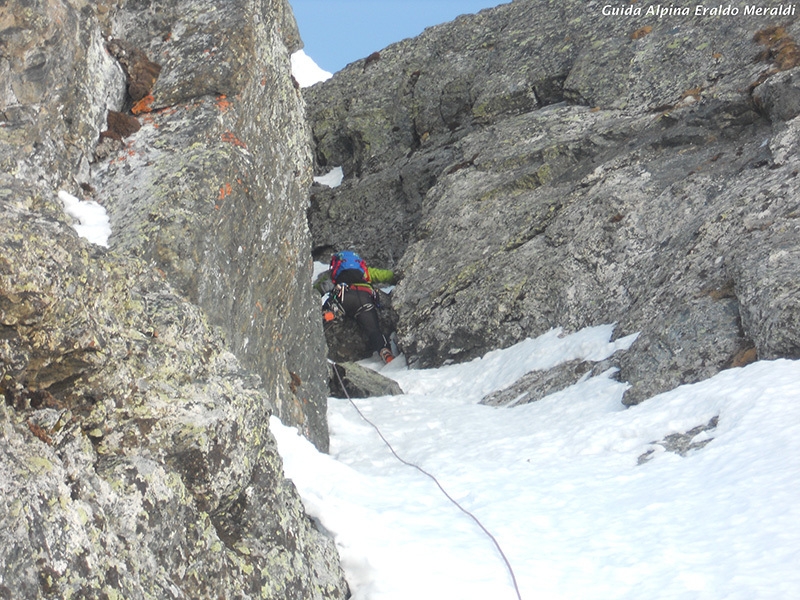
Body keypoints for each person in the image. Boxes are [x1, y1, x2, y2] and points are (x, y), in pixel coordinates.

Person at [315, 250, 396, 363]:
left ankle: (330, 313)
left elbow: (316, 291)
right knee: (374, 330)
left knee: (332, 306)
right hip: (364, 299)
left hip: (344, 296)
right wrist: (400, 275)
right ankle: (385, 351)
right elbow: (386, 276)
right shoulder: (365, 271)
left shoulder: (333, 273)